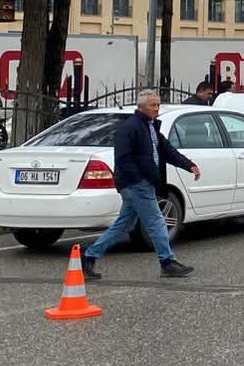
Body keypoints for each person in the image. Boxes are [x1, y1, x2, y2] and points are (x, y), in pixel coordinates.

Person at [80, 91, 200, 280]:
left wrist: (189, 165)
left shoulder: (151, 127)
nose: (156, 109)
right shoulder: (129, 128)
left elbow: (167, 151)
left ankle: (89, 255)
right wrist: (139, 179)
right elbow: (123, 159)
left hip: (142, 184)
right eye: (153, 105)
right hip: (136, 184)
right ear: (141, 107)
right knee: (157, 221)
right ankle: (167, 262)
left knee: (124, 224)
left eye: (158, 105)